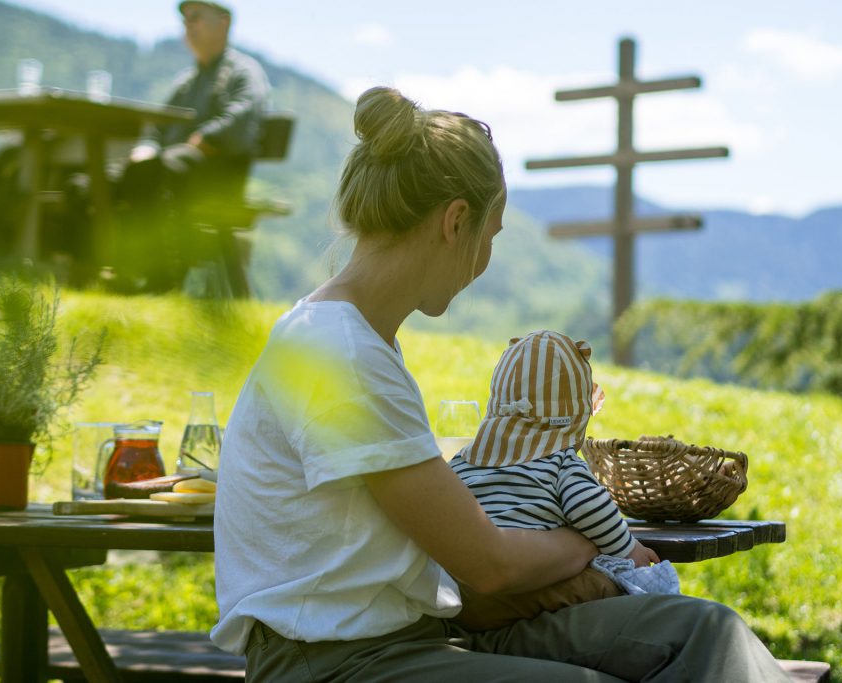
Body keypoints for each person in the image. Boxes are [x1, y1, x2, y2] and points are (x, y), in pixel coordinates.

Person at [212, 86, 793, 682]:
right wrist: (587, 544)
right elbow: (488, 565)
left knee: (702, 632)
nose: (484, 259)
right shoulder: (339, 353)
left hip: (415, 637)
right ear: (456, 221)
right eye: (490, 236)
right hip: (339, 664)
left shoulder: (354, 340)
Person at [449, 330, 680, 631]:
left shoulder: (464, 461)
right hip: (530, 586)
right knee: (611, 586)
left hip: (462, 595)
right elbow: (588, 506)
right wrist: (629, 550)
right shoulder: (560, 462)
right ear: (576, 412)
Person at [114, 0, 269, 289]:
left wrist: (204, 139)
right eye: (185, 21)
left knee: (162, 168)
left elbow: (243, 115)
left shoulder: (244, 72)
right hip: (175, 167)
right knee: (112, 176)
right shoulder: (186, 81)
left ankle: (161, 277)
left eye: (195, 18)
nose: (188, 26)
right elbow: (158, 125)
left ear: (223, 23)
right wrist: (146, 146)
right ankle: (120, 268)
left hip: (216, 176)